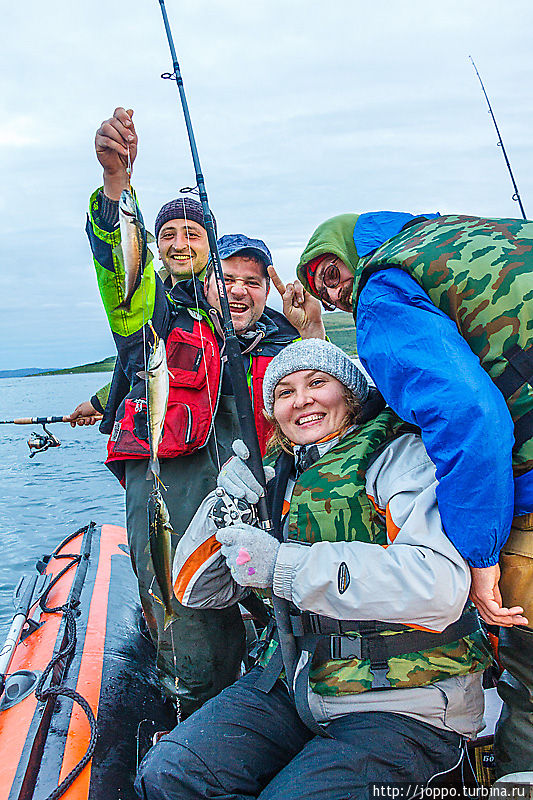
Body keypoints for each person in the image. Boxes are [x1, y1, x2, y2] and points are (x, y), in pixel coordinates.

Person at [134, 338, 491, 800]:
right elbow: (197, 592)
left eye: (316, 383)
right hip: (294, 683)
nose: (300, 399)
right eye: (283, 392)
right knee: (170, 773)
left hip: (406, 700)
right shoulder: (277, 479)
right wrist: (219, 512)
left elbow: (439, 585)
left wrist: (284, 565)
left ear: (350, 394)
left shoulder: (400, 460)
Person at [84, 107, 324, 717]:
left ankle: (281, 686)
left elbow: (327, 402)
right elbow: (120, 277)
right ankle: (198, 710)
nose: (181, 243)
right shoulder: (152, 313)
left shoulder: (267, 333)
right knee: (183, 609)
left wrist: (313, 330)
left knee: (273, 603)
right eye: (169, 235)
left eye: (195, 235)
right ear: (157, 250)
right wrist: (117, 187)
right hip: (171, 481)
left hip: (249, 485)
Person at [294, 210, 533, 777]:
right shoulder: (477, 234)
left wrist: (479, 557)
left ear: (349, 248)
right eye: (319, 289)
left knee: (527, 685)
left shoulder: (384, 287)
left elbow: (469, 416)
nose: (335, 293)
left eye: (330, 273)